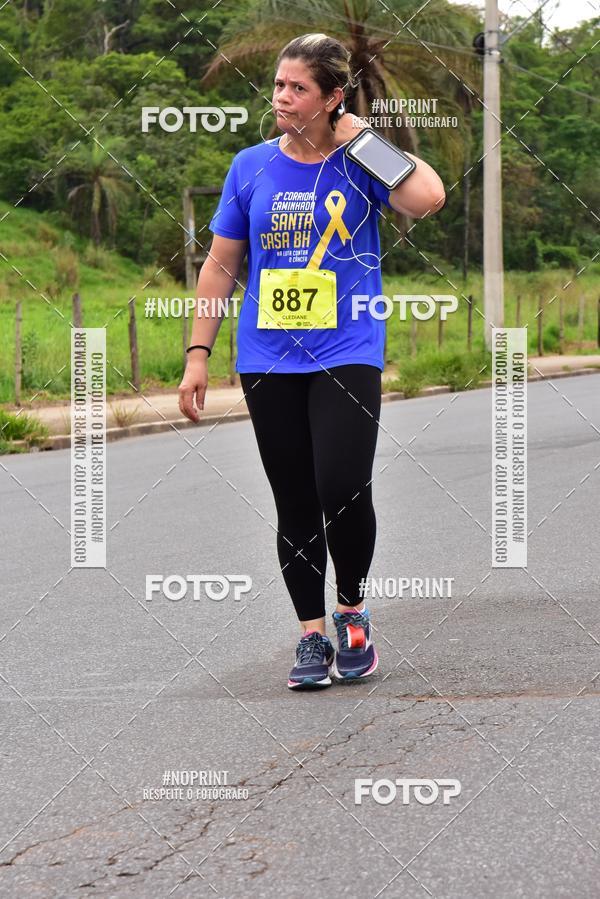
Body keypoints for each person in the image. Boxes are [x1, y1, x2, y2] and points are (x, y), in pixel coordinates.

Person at [178, 33, 445, 690]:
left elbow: (427, 198)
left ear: (332, 97)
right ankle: (311, 635)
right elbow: (220, 266)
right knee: (295, 499)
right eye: (278, 85)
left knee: (342, 486)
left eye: (298, 88)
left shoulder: (361, 161)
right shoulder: (250, 166)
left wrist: (358, 137)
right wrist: (197, 354)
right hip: (269, 356)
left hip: (347, 350)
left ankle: (352, 613)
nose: (281, 97)